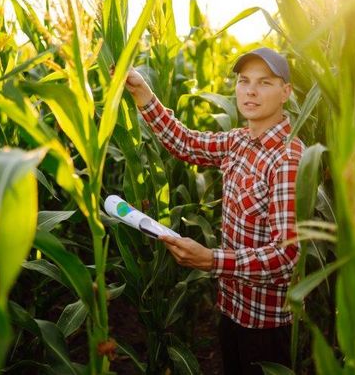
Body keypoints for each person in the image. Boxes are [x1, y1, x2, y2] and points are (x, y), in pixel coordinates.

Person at [124, 47, 303, 374]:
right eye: (243, 80)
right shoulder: (239, 141)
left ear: (286, 92)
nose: (250, 90)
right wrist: (142, 93)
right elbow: (185, 143)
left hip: (266, 325)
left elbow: (286, 257)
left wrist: (210, 259)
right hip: (232, 308)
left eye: (264, 83)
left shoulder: (287, 159)